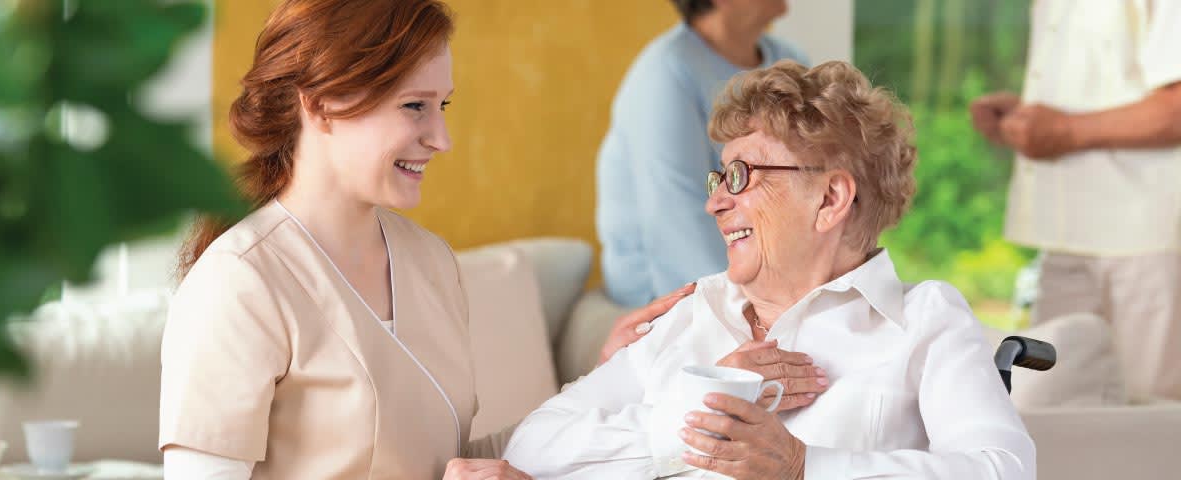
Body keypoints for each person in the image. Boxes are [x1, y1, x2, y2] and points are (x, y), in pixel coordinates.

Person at [156, 1, 696, 478]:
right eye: (415, 106)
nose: (441, 138)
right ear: (319, 104)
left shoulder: (429, 260)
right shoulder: (239, 282)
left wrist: (608, 382)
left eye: (444, 106)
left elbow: (454, 464)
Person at [505, 61, 1036, 479]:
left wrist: (805, 467)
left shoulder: (923, 320)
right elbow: (529, 449)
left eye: (741, 175)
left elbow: (1003, 469)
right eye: (719, 179)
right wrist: (698, 409)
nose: (715, 203)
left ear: (829, 199)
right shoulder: (691, 313)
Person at [969, 0, 1181, 401]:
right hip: (1065, 235)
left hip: (1147, 238)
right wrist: (1027, 123)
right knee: (1050, 397)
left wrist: (1065, 129)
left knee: (1155, 409)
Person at [597, 0, 808, 308]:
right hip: (668, 298)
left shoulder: (788, 60)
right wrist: (751, 310)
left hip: (767, 284)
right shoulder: (667, 72)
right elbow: (677, 225)